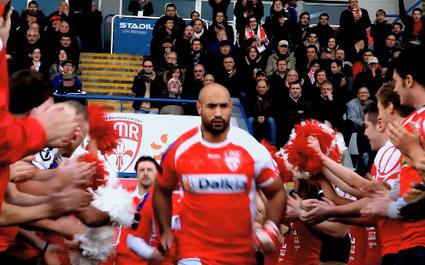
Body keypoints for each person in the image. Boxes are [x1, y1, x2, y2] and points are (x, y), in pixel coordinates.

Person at [153, 83, 286, 264]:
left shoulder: (251, 147)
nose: (218, 113)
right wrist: (165, 231)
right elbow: (161, 189)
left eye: (223, 106)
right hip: (192, 252)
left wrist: (270, 227)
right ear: (199, 108)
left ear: (231, 107)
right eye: (211, 106)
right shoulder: (179, 148)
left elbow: (277, 191)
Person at [115, 156, 162, 265]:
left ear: (157, 173)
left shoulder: (164, 201)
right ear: (136, 173)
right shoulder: (124, 197)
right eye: (142, 170)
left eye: (149, 170)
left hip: (152, 259)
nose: (145, 173)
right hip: (124, 260)